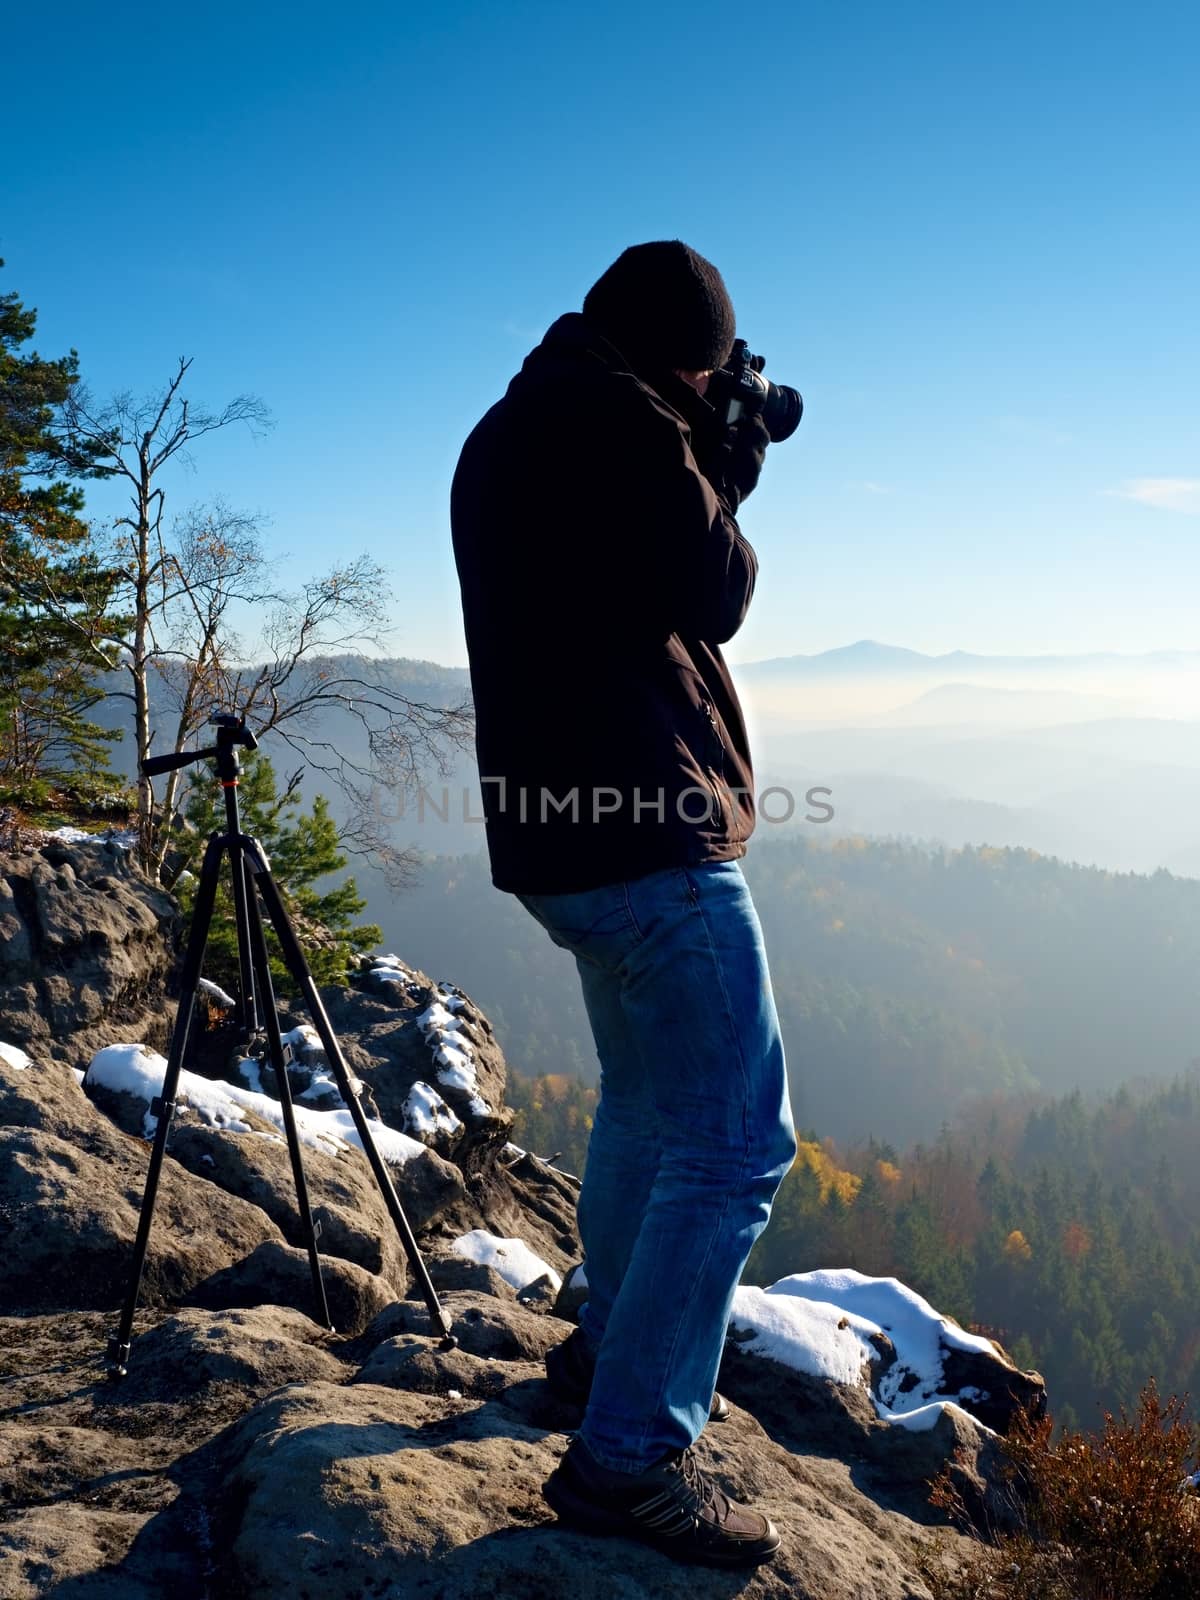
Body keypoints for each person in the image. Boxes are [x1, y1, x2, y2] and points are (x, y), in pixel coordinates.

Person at [449, 240, 797, 1568]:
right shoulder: (624, 422)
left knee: (648, 1107)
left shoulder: (517, 423)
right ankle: (632, 1453)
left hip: (557, 837)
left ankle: (605, 1355)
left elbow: (633, 585)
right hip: (648, 833)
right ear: (684, 355)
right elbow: (718, 589)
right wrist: (727, 457)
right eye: (711, 369)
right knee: (736, 1143)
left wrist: (699, 444)